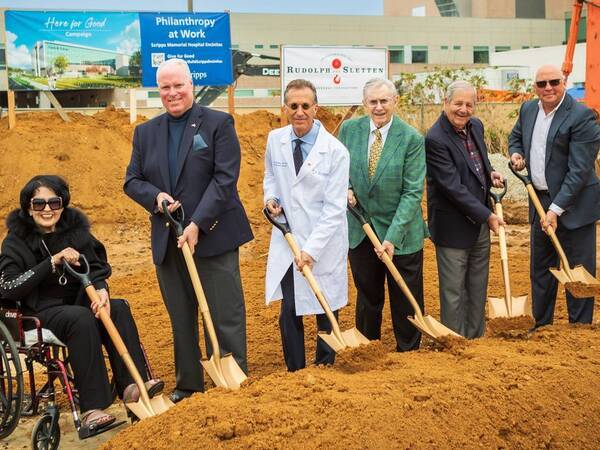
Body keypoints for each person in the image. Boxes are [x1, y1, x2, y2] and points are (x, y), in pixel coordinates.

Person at [124, 58, 253, 402]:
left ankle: (233, 378)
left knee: (225, 314)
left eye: (178, 85)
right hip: (169, 241)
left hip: (212, 236)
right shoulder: (145, 132)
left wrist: (197, 223)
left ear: (191, 85)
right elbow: (132, 181)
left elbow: (225, 179)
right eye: (165, 87)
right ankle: (189, 383)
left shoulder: (218, 124)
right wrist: (156, 197)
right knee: (181, 317)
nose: (172, 93)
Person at [0, 175, 163, 431]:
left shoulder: (75, 233)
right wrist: (52, 261)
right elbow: (9, 287)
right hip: (40, 313)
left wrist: (102, 290)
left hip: (77, 303)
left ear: (62, 204)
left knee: (118, 308)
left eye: (54, 202)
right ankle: (92, 408)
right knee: (81, 317)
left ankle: (133, 386)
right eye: (39, 203)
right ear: (28, 207)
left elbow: (96, 268)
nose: (47, 209)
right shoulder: (15, 241)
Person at [263, 79, 349, 371]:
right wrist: (271, 198)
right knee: (290, 308)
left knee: (325, 306)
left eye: (305, 106)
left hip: (323, 241)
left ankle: (326, 366)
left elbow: (335, 209)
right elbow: (270, 177)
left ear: (316, 108)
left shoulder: (335, 151)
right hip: (288, 238)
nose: (299, 112)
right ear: (285, 108)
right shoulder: (276, 139)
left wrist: (312, 250)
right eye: (293, 106)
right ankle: (295, 371)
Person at [340, 78, 428, 352]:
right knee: (368, 295)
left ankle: (408, 350)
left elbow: (412, 192)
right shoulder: (349, 130)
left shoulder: (411, 138)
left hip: (400, 233)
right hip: (361, 228)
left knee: (405, 295)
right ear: (365, 103)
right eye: (373, 102)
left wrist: (391, 238)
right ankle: (367, 349)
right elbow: (338, 168)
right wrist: (346, 188)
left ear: (395, 102)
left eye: (384, 101)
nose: (378, 107)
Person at [509, 64, 600, 328]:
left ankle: (579, 327)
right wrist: (516, 154)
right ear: (534, 87)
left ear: (564, 82)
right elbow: (516, 137)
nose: (548, 88)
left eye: (553, 82)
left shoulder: (582, 116)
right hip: (539, 201)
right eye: (542, 84)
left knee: (578, 271)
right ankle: (542, 325)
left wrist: (556, 209)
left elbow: (580, 170)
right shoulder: (528, 109)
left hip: (575, 205)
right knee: (541, 269)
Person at [425, 80, 504, 339]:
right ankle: (454, 340)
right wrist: (489, 215)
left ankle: (476, 337)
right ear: (445, 103)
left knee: (477, 285)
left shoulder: (476, 126)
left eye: (469, 104)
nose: (463, 109)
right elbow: (452, 188)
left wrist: (491, 173)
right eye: (458, 103)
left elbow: (478, 160)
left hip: (479, 222)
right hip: (453, 226)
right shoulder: (435, 139)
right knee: (454, 290)